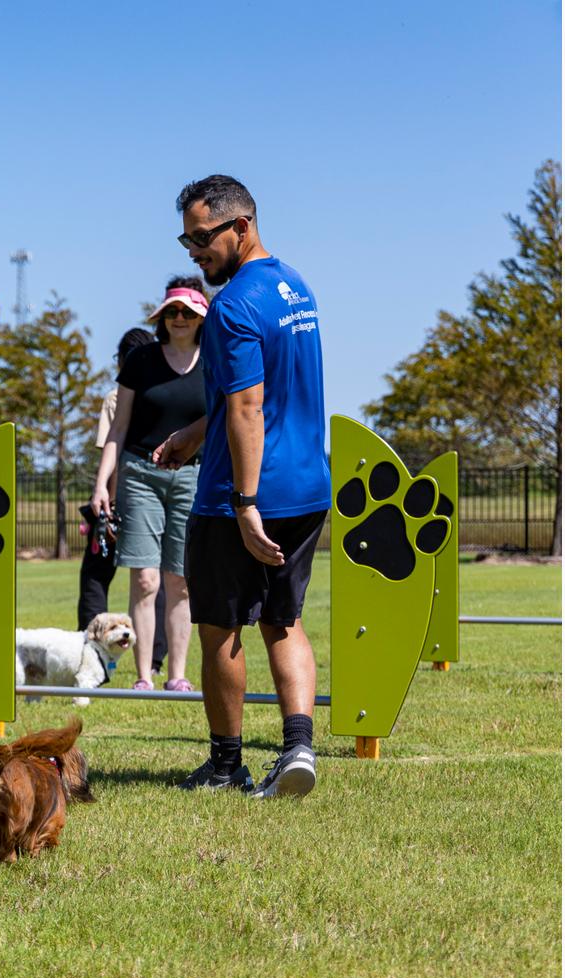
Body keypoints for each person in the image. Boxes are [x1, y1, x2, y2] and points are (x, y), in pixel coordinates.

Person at [152, 175, 330, 799]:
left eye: (203, 237)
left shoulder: (231, 306)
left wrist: (245, 503)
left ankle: (227, 767)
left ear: (241, 227)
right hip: (308, 485)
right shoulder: (295, 288)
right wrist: (197, 435)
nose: (194, 251)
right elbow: (256, 393)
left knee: (220, 627)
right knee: (285, 620)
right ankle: (298, 749)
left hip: (246, 496)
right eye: (187, 238)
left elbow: (250, 406)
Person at [91, 277, 209, 692]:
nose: (180, 319)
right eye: (172, 312)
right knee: (145, 580)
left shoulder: (215, 360)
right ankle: (144, 676)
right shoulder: (141, 361)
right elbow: (117, 429)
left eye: (189, 312)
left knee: (180, 580)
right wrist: (102, 483)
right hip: (140, 475)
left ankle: (177, 675)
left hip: (192, 477)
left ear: (201, 318)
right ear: (162, 317)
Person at [78, 328, 167, 674]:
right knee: (154, 579)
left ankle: (89, 646)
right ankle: (156, 659)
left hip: (121, 503)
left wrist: (105, 500)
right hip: (159, 501)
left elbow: (111, 449)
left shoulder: (117, 397)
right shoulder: (165, 393)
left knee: (96, 578)